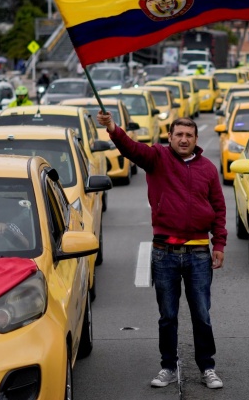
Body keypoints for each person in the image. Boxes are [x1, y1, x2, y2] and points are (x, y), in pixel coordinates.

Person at [96, 111, 227, 390]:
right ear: (170, 137)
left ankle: (208, 368)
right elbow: (131, 148)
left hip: (199, 253)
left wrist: (219, 244)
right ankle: (168, 367)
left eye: (189, 135)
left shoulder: (207, 169)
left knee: (202, 315)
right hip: (164, 252)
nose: (183, 139)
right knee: (167, 316)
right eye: (179, 134)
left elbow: (218, 208)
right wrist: (113, 128)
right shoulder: (157, 158)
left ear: (196, 139)